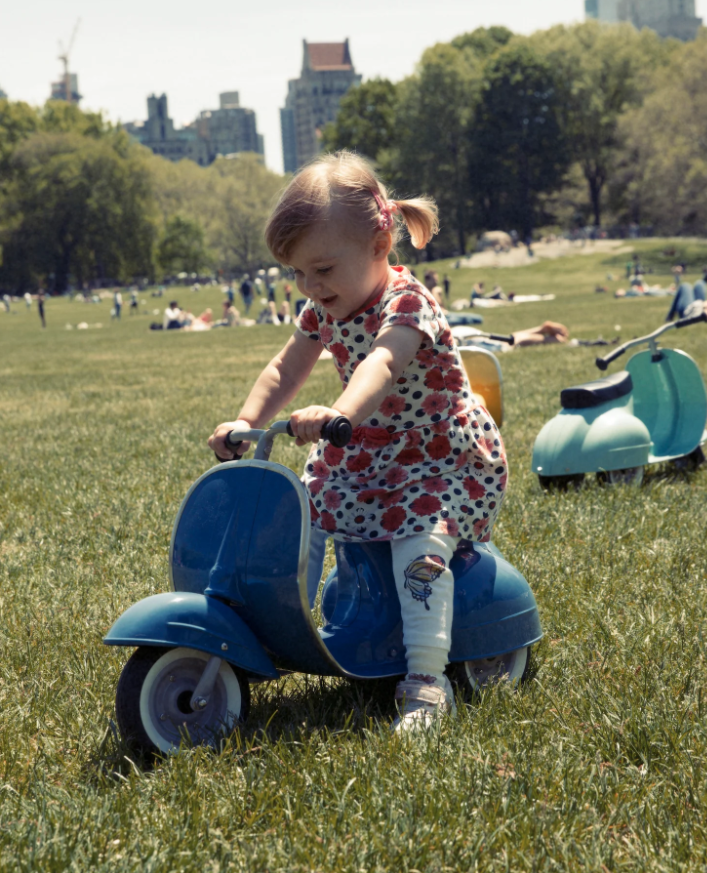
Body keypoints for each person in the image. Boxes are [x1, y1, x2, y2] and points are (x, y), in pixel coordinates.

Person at [208, 151, 507, 734]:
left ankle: (425, 681)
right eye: (297, 274)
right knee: (295, 516)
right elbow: (283, 370)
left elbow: (382, 364)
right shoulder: (321, 307)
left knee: (418, 550)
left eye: (321, 269)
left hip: (435, 457)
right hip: (363, 450)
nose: (310, 287)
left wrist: (339, 411)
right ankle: (277, 631)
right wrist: (245, 422)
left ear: (379, 242)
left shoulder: (408, 302)